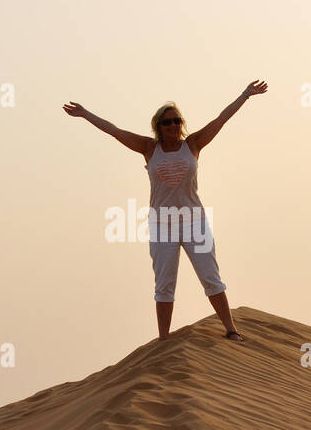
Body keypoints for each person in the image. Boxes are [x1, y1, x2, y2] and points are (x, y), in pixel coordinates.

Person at [64, 80, 268, 340]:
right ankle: (164, 339)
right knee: (164, 285)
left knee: (211, 278)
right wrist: (85, 114)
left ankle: (231, 330)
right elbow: (114, 131)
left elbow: (221, 119)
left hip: (195, 222)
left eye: (176, 121)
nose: (173, 125)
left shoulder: (193, 144)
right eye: (167, 122)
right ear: (158, 127)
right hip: (162, 225)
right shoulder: (150, 149)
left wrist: (245, 95)